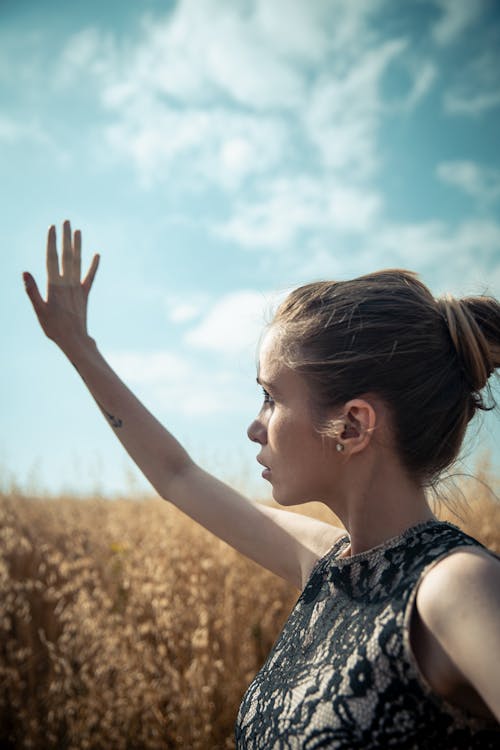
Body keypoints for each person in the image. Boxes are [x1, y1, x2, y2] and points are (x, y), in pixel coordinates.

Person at [23, 220, 500, 749]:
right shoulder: (329, 566)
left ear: (352, 426)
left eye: (271, 397)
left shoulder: (455, 589)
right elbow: (178, 476)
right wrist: (78, 347)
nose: (255, 425)